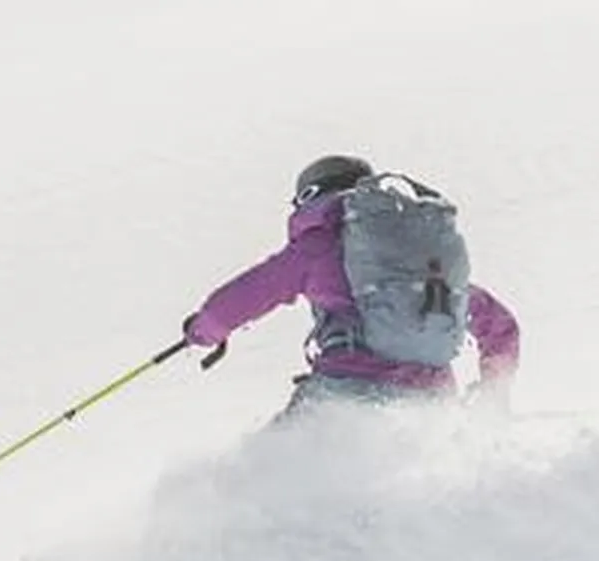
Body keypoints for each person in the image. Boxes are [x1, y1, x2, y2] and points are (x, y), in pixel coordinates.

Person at [184, 155, 519, 410]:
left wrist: (203, 331)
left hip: (349, 389)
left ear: (309, 196)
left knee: (263, 472)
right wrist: (494, 390)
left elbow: (251, 292)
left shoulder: (318, 245)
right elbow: (499, 324)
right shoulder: (412, 262)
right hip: (431, 399)